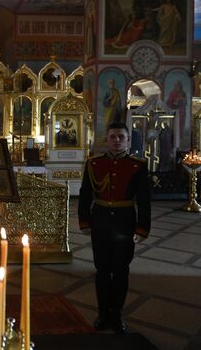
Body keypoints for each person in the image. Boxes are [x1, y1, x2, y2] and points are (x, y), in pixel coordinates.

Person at [78, 122, 151, 334]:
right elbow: (85, 195)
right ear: (106, 139)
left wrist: (142, 228)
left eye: (121, 137)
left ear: (128, 140)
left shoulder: (137, 166)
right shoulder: (93, 164)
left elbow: (144, 200)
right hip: (100, 221)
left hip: (124, 221)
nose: (117, 140)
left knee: (120, 270)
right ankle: (102, 314)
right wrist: (84, 221)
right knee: (102, 270)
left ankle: (117, 314)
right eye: (113, 137)